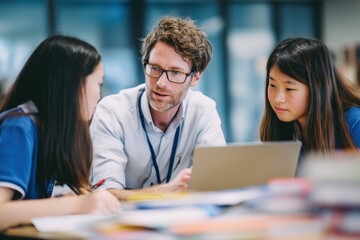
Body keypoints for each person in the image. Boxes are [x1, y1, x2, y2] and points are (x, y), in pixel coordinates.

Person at [90, 16, 226, 200]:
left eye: (175, 73)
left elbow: (217, 182)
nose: (161, 83)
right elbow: (104, 195)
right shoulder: (113, 112)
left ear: (195, 78)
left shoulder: (202, 111)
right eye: (155, 68)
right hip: (124, 221)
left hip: (180, 220)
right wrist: (168, 191)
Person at [0, 35, 120, 231]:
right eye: (98, 84)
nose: (100, 94)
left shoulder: (49, 128)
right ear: (73, 84)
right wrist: (77, 205)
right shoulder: (19, 127)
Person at [260, 37, 360, 168]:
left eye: (289, 88)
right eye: (272, 85)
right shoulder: (283, 127)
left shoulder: (354, 123)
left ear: (317, 88)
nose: (278, 99)